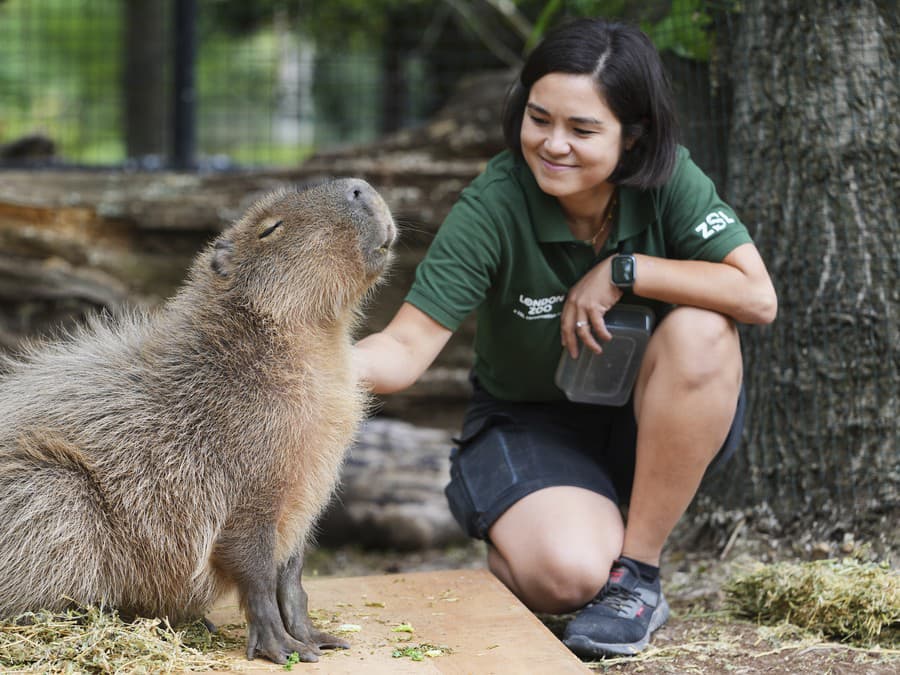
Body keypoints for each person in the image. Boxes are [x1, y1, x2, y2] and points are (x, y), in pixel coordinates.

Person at [353, 17, 777, 659]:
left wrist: (626, 269)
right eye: (539, 118)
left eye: (582, 129)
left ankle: (637, 577)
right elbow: (405, 349)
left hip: (652, 424)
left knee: (703, 327)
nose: (553, 144)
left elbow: (757, 296)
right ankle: (528, 532)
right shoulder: (495, 204)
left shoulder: (669, 184)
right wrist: (296, 369)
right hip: (532, 425)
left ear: (633, 139)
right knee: (569, 576)